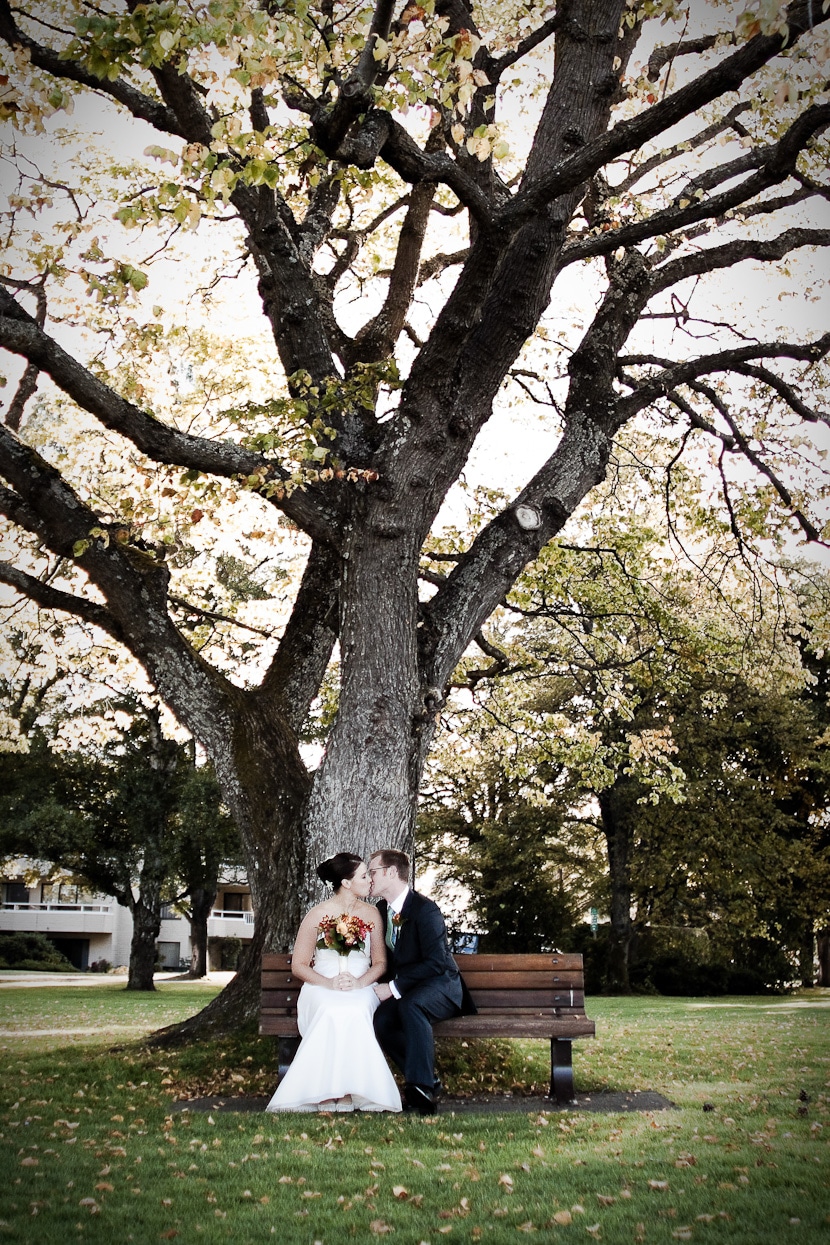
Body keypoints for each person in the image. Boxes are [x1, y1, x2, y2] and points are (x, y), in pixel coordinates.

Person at [265, 853, 402, 1114]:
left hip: (360, 987)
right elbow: (299, 965)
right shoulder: (317, 915)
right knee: (330, 1010)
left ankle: (350, 1089)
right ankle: (323, 1092)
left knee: (353, 1010)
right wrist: (328, 984)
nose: (370, 881)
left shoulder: (373, 914)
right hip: (322, 986)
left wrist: (359, 982)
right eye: (364, 876)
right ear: (346, 883)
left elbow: (380, 964)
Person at [369, 848, 475, 1116]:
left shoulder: (426, 910)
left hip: (441, 986)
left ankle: (421, 1089)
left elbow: (436, 963)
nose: (369, 878)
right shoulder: (381, 910)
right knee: (382, 1020)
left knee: (410, 1007)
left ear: (391, 873)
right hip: (410, 988)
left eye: (373, 872)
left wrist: (393, 988)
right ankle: (428, 1081)